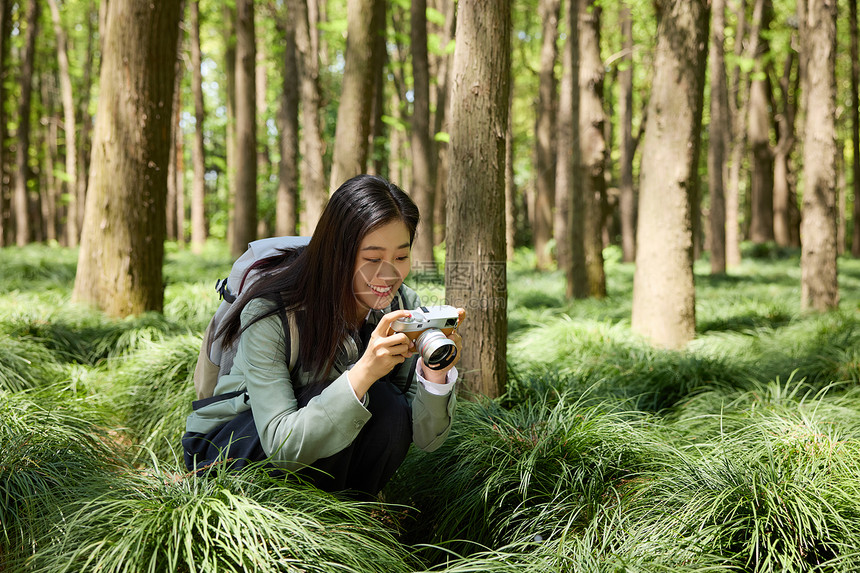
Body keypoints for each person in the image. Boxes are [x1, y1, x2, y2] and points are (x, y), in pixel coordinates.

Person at [182, 174, 464, 497]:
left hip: (306, 448)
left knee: (389, 406)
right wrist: (364, 372)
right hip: (233, 444)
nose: (389, 274)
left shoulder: (402, 307)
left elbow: (426, 438)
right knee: (359, 391)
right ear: (337, 252)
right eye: (373, 259)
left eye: (401, 257)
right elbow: (280, 445)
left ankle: (342, 522)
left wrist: (435, 376)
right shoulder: (270, 311)